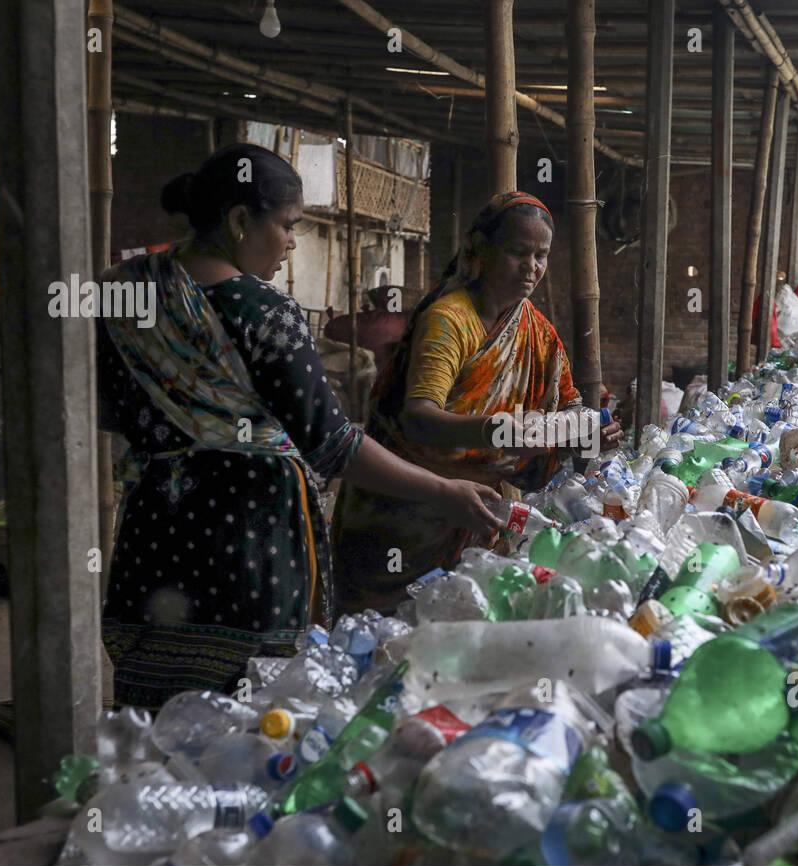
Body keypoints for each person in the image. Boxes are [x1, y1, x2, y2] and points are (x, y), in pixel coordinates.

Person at [96, 143, 501, 709]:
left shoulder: (120, 292)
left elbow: (106, 410)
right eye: (287, 226)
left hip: (156, 530)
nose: (292, 243)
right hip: (250, 538)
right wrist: (442, 489)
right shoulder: (263, 310)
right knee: (247, 719)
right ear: (240, 221)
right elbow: (334, 445)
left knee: (152, 717)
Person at [333, 190, 622, 613]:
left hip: (475, 515)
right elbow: (419, 417)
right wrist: (493, 429)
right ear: (481, 251)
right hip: (405, 510)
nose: (532, 267)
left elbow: (568, 405)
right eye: (517, 252)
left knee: (455, 629)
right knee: (385, 637)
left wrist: (591, 434)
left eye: (541, 255)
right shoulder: (449, 320)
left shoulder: (535, 330)